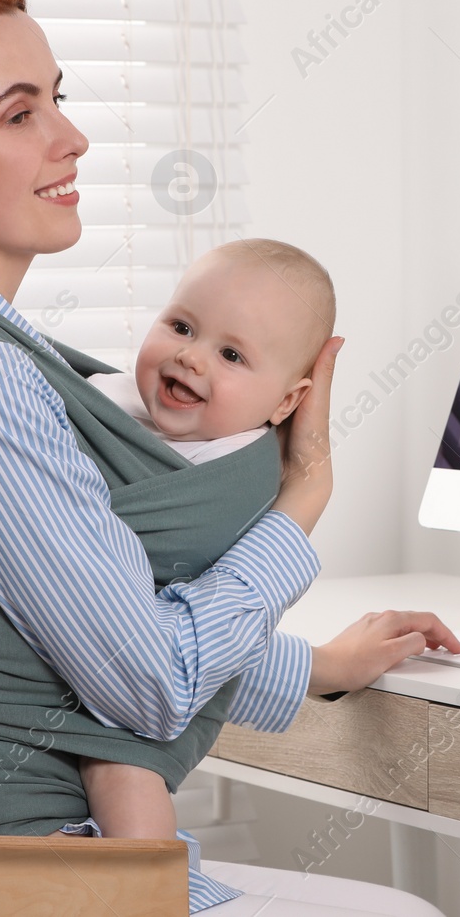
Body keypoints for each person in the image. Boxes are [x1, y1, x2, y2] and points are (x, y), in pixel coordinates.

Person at [0, 0, 460, 916]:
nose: (70, 138)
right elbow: (152, 687)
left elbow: (46, 634)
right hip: (20, 872)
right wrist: (302, 497)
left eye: (59, 96)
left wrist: (314, 667)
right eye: (20, 114)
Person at [81, 238, 338, 843]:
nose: (191, 358)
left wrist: (320, 667)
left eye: (231, 354)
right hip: (87, 648)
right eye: (181, 326)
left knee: (125, 773)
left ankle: (153, 896)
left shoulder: (243, 474)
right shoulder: (92, 401)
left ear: (288, 401)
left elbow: (211, 627)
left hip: (138, 690)